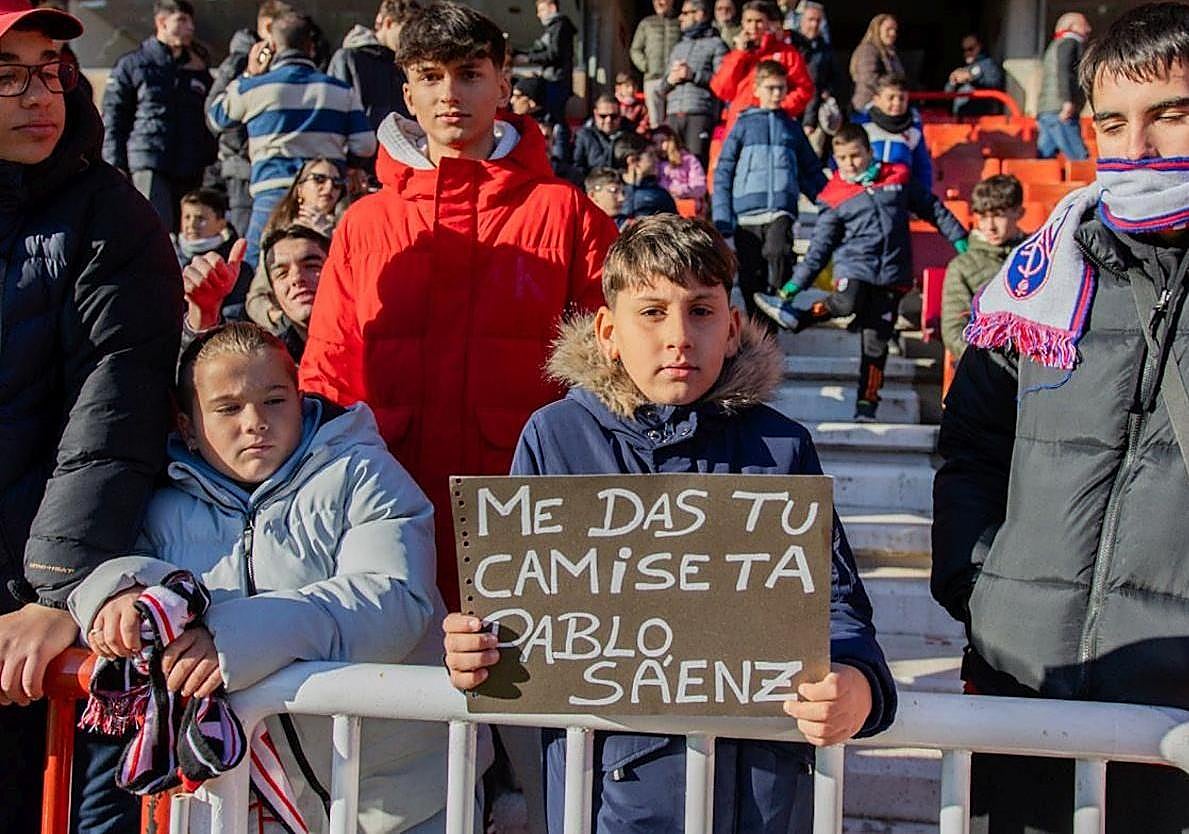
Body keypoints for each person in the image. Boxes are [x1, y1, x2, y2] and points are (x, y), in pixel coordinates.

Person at [442, 214, 897, 834]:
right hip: (602, 796)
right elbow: (517, 613)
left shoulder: (781, 448)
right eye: (652, 312)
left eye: (701, 312)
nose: (678, 336)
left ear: (733, 327)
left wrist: (859, 685)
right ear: (607, 331)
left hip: (759, 793)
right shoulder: (555, 439)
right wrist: (477, 651)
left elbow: (836, 607)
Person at [932, 4, 1189, 828]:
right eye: (1113, 123)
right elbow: (970, 449)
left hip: (1172, 725)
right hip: (1025, 694)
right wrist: (980, 589)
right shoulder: (1036, 281)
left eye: (1170, 115)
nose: (1136, 149)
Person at [69, 321, 458, 834]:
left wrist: (229, 639)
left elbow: (394, 602)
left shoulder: (364, 473)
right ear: (187, 427)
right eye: (228, 409)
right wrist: (120, 594)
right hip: (240, 804)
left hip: (399, 802)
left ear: (301, 400)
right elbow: (115, 568)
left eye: (274, 401)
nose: (255, 422)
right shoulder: (158, 505)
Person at [298, 0, 619, 608]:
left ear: (503, 83)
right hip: (387, 508)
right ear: (408, 91)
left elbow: (614, 369)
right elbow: (328, 370)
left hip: (528, 509)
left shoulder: (567, 212)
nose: (451, 93)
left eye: (470, 73)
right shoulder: (365, 222)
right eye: (430, 75)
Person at [0, 3, 182, 831]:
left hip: (30, 607)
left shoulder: (112, 215)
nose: (38, 95)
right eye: (8, 76)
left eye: (50, 71)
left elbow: (115, 406)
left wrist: (56, 591)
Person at [754, 124, 966, 422]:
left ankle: (867, 405)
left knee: (876, 342)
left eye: (855, 155)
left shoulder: (898, 177)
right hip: (854, 265)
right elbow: (819, 250)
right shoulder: (835, 196)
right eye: (842, 158)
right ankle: (798, 316)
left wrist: (960, 239)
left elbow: (933, 209)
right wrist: (792, 287)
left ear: (869, 151)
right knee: (846, 301)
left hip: (893, 272)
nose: (850, 163)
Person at [207, 10, 375, 270]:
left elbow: (216, 118)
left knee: (258, 266)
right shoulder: (339, 90)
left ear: (271, 47)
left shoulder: (254, 87)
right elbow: (365, 144)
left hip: (270, 193)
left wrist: (249, 74)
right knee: (323, 264)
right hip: (323, 194)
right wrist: (348, 165)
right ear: (310, 47)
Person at [713, 60, 825, 324]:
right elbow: (724, 171)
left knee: (778, 254)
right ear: (757, 89)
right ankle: (758, 331)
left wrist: (832, 203)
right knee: (751, 276)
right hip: (746, 214)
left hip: (781, 209)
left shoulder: (792, 127)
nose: (777, 94)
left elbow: (810, 171)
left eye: (782, 88)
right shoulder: (742, 125)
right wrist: (722, 216)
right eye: (771, 88)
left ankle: (779, 306)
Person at [101, 0, 216, 231]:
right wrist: (115, 165)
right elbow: (113, 118)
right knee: (154, 231)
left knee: (189, 237)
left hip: (191, 167)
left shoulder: (197, 69)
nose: (190, 28)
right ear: (161, 22)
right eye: (182, 20)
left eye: (191, 21)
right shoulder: (132, 65)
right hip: (148, 163)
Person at [205, 0, 294, 239]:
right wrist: (250, 77)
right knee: (249, 244)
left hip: (277, 168)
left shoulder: (287, 62)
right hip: (244, 171)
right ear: (267, 26)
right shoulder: (240, 60)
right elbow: (214, 112)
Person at [244, 157, 345, 330]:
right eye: (319, 179)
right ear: (300, 189)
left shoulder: (347, 228)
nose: (329, 187)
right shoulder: (277, 235)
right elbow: (256, 298)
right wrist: (278, 318)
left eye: (336, 183)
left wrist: (328, 234)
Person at [939, 174, 1024, 362]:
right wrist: (991, 364)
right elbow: (954, 331)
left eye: (999, 216)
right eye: (983, 218)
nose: (990, 227)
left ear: (1019, 212)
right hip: (985, 366)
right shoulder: (962, 267)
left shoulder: (1035, 258)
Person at [709, 0, 815, 134]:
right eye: (748, 21)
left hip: (773, 126)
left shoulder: (786, 53)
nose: (753, 26)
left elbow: (804, 89)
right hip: (739, 125)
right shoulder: (737, 54)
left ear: (768, 24)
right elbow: (722, 90)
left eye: (759, 21)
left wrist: (779, 108)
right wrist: (739, 54)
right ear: (742, 23)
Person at [328, 0, 421, 133]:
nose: (410, 38)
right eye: (406, 30)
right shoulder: (349, 59)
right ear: (388, 23)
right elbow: (335, 111)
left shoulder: (407, 63)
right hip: (363, 148)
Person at [659, 0, 726, 167]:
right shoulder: (678, 47)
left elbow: (724, 81)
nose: (680, 18)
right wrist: (670, 80)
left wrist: (693, 75)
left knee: (696, 163)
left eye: (686, 13)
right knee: (671, 163)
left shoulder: (717, 44)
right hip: (673, 113)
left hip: (699, 112)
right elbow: (662, 86)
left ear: (700, 15)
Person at [853, 73, 932, 188]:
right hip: (864, 193)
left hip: (899, 194)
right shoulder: (861, 125)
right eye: (891, 98)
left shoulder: (913, 130)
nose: (897, 103)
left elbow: (922, 169)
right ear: (876, 99)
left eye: (902, 98)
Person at [1036, 11, 1091, 161]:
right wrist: (1068, 102)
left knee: (1044, 160)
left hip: (1047, 109)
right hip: (1060, 109)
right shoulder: (1070, 43)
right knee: (1079, 157)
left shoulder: (1054, 46)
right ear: (1072, 26)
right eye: (1084, 24)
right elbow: (1064, 72)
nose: (1089, 29)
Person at [788, 1, 838, 157]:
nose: (814, 24)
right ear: (801, 21)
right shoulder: (790, 46)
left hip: (815, 115)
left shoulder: (825, 50)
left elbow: (835, 78)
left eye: (818, 20)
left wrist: (829, 91)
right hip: (790, 110)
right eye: (810, 20)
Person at [514, 0, 576, 123]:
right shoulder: (554, 28)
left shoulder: (560, 26)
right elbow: (540, 48)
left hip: (557, 80)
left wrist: (528, 58)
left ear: (552, 8)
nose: (538, 14)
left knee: (555, 119)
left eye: (541, 10)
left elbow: (555, 53)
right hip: (554, 79)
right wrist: (521, 52)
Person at [509, 75, 575, 180]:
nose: (512, 100)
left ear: (532, 102)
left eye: (517, 96)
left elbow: (558, 162)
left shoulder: (555, 126)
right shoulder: (511, 125)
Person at [630, 0, 682, 129]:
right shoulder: (646, 23)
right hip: (652, 78)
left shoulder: (680, 22)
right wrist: (645, 66)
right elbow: (635, 49)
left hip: (675, 79)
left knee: (674, 119)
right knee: (655, 122)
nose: (660, 2)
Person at [615, 131, 677, 220]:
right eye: (651, 155)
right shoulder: (611, 189)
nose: (656, 160)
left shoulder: (659, 194)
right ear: (632, 161)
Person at [849, 13, 903, 111]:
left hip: (888, 107)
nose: (893, 33)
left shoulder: (891, 52)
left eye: (895, 30)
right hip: (869, 106)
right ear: (877, 30)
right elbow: (869, 77)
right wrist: (890, 89)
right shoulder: (868, 49)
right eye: (889, 29)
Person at [945, 33, 1006, 117]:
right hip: (961, 117)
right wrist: (952, 82)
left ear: (979, 47)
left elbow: (994, 83)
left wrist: (971, 77)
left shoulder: (988, 65)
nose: (967, 53)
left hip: (981, 119)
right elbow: (947, 93)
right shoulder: (963, 68)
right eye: (964, 50)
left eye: (970, 49)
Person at [573, 93, 626, 181]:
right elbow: (577, 166)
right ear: (595, 114)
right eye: (603, 116)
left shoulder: (628, 134)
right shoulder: (584, 135)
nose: (608, 120)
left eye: (613, 116)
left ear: (620, 115)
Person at [653, 124, 707, 210]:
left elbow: (700, 186)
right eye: (655, 143)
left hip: (687, 205)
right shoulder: (654, 163)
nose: (659, 146)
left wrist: (680, 190)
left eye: (663, 141)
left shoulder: (688, 159)